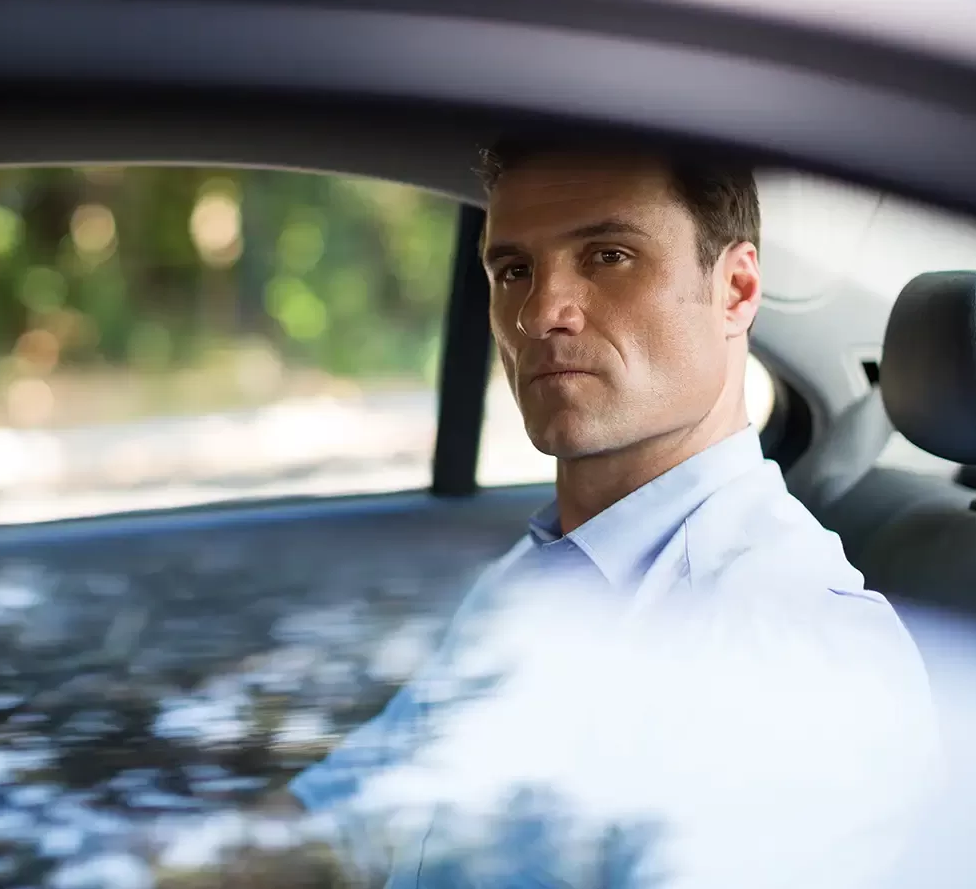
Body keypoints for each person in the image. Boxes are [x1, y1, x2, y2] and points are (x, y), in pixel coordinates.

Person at [279, 137, 939, 889]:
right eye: (514, 270)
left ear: (737, 290)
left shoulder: (791, 652)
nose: (539, 313)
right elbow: (344, 822)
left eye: (608, 256)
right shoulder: (536, 570)